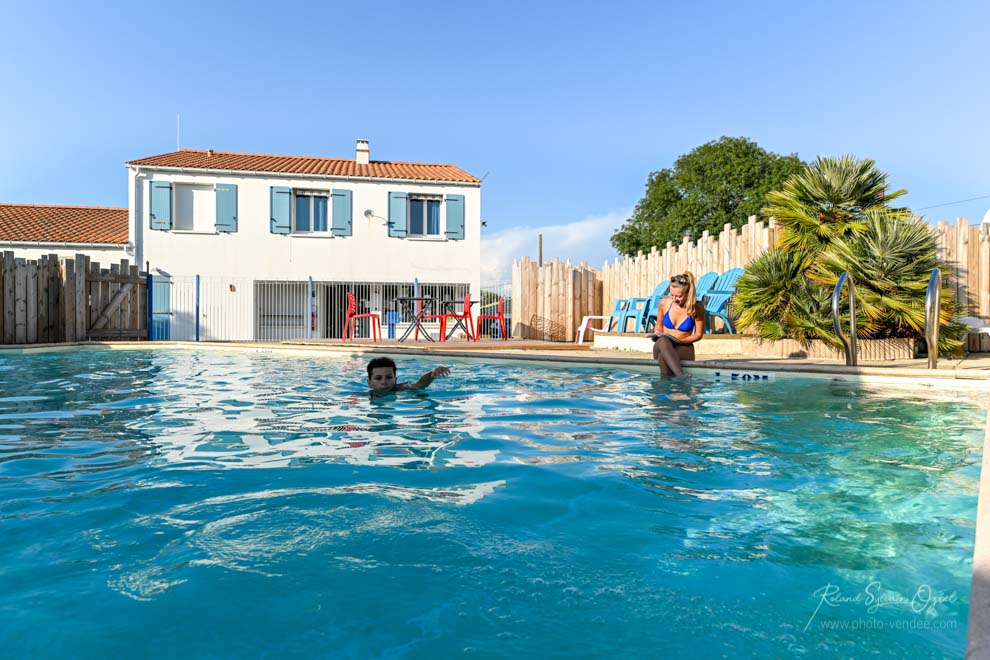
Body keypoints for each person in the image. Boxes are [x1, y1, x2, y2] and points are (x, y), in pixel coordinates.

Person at [648, 272, 706, 377]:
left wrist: (681, 341)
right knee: (663, 340)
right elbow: (659, 325)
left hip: (684, 347)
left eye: (678, 296)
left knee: (663, 357)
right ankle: (681, 375)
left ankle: (666, 387)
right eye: (672, 295)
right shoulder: (664, 303)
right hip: (663, 345)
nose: (674, 299)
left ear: (688, 294)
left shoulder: (697, 308)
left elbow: (698, 335)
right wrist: (657, 333)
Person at [366, 356, 450, 394]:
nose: (384, 382)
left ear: (395, 380)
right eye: (378, 378)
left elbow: (419, 384)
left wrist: (432, 374)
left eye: (389, 377)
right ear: (369, 383)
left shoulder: (402, 388)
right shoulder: (363, 396)